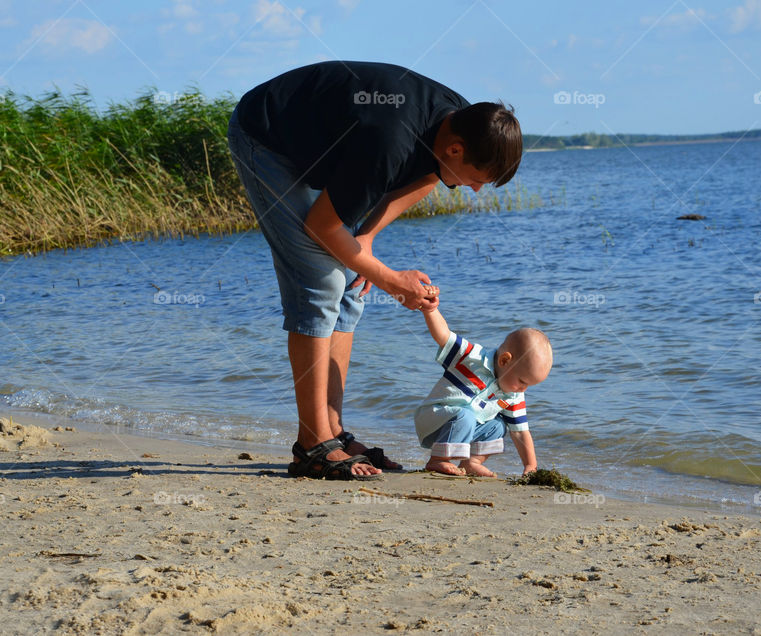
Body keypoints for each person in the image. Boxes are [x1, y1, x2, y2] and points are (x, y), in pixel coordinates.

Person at [226, 60, 523, 480]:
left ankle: (333, 432)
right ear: (456, 149)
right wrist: (389, 279)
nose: (475, 191)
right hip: (265, 135)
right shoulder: (388, 140)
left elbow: (429, 176)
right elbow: (321, 226)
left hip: (317, 136)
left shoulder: (462, 121)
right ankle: (310, 445)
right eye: (478, 179)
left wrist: (366, 238)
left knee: (349, 284)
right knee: (321, 281)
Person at [415, 288, 552, 477]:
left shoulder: (513, 395)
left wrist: (530, 466)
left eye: (528, 385)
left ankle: (471, 462)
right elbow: (444, 337)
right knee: (466, 415)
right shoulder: (472, 358)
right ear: (504, 361)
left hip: (465, 429)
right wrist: (430, 310)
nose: (523, 389)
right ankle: (438, 460)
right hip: (434, 422)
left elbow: (520, 432)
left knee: (498, 426)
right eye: (522, 381)